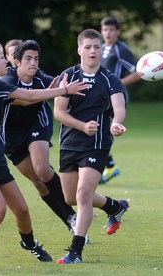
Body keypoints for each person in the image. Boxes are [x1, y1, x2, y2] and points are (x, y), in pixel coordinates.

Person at [0, 39, 87, 270]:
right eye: (0, 58)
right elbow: (27, 97)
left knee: (22, 209)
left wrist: (52, 89)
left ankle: (29, 244)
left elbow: (26, 100)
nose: (5, 61)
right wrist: (64, 90)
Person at [53, 29, 130, 264]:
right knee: (70, 198)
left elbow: (119, 107)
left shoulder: (109, 79)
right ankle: (115, 206)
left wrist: (116, 123)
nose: (93, 51)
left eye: (96, 47)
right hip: (69, 143)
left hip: (96, 145)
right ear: (79, 50)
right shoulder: (68, 76)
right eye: (87, 47)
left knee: (83, 194)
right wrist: (81, 125)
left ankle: (75, 251)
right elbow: (58, 112)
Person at [0, 40, 80, 235]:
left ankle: (75, 214)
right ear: (16, 61)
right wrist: (51, 92)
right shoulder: (6, 80)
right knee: (38, 182)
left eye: (36, 59)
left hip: (37, 125)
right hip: (12, 136)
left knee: (42, 170)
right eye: (28, 59)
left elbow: (61, 87)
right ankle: (69, 218)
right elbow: (23, 99)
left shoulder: (41, 78)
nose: (33, 63)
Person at [99, 16, 141, 184]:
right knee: (99, 128)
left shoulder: (120, 49)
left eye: (111, 30)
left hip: (115, 96)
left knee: (99, 128)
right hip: (100, 96)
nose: (108, 33)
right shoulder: (100, 48)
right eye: (105, 29)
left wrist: (118, 83)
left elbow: (138, 72)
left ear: (118, 32)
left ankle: (106, 166)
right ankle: (108, 166)